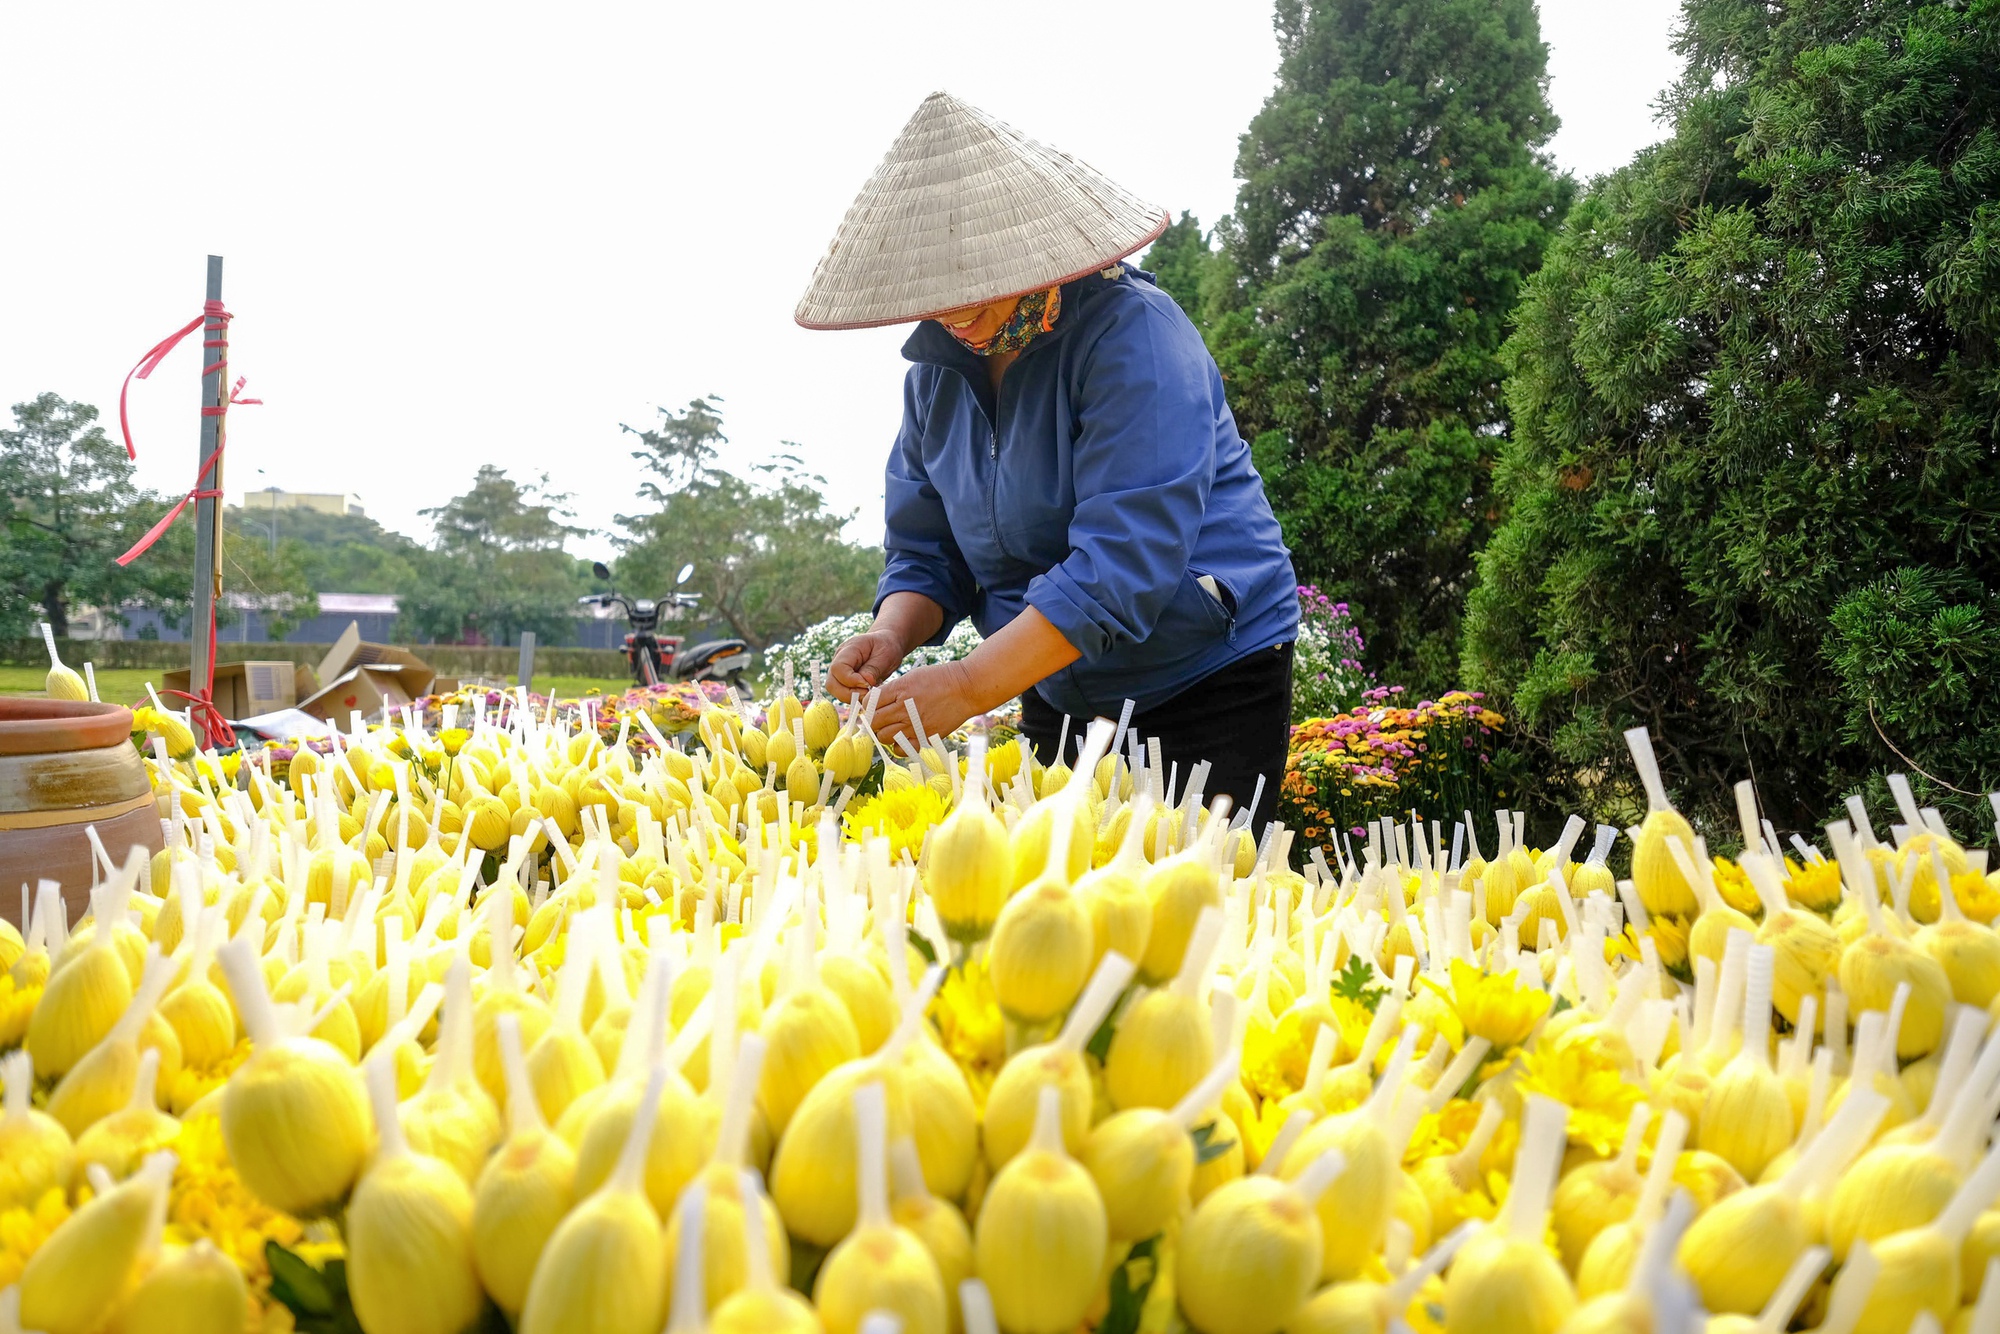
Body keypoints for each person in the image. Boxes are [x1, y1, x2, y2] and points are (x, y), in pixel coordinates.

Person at [797, 91, 1299, 815]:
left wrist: (970, 686)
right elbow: (926, 552)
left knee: (1194, 901)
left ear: (1034, 252)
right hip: (1050, 677)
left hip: (1201, 671)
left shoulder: (1136, 338)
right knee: (1059, 903)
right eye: (936, 292)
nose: (957, 312)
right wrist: (890, 633)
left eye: (977, 283)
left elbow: (1123, 564)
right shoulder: (934, 380)